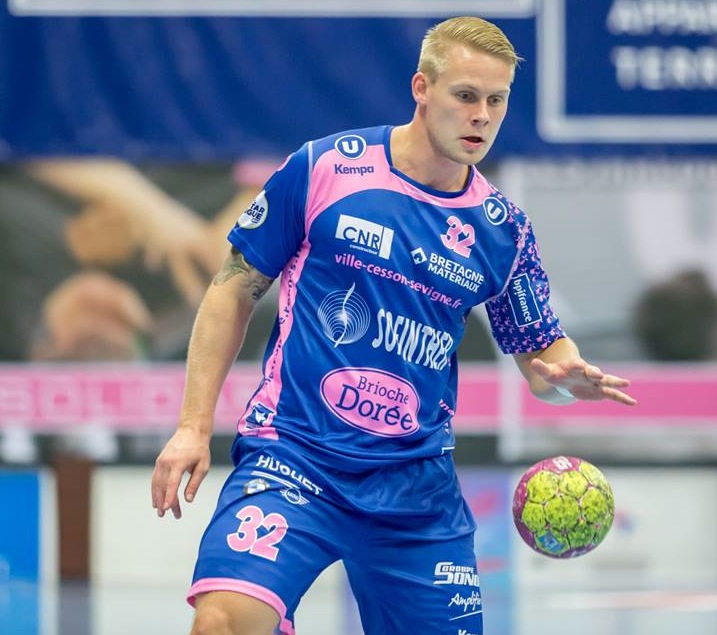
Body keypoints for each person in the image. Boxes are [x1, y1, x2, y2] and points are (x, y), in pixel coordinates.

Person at [151, 16, 637, 635]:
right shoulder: (325, 168)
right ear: (422, 88)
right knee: (222, 621)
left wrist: (566, 378)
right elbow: (231, 288)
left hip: (416, 493)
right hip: (296, 458)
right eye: (466, 95)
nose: (481, 116)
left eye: (496, 101)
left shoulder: (502, 229)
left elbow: (544, 361)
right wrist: (192, 428)